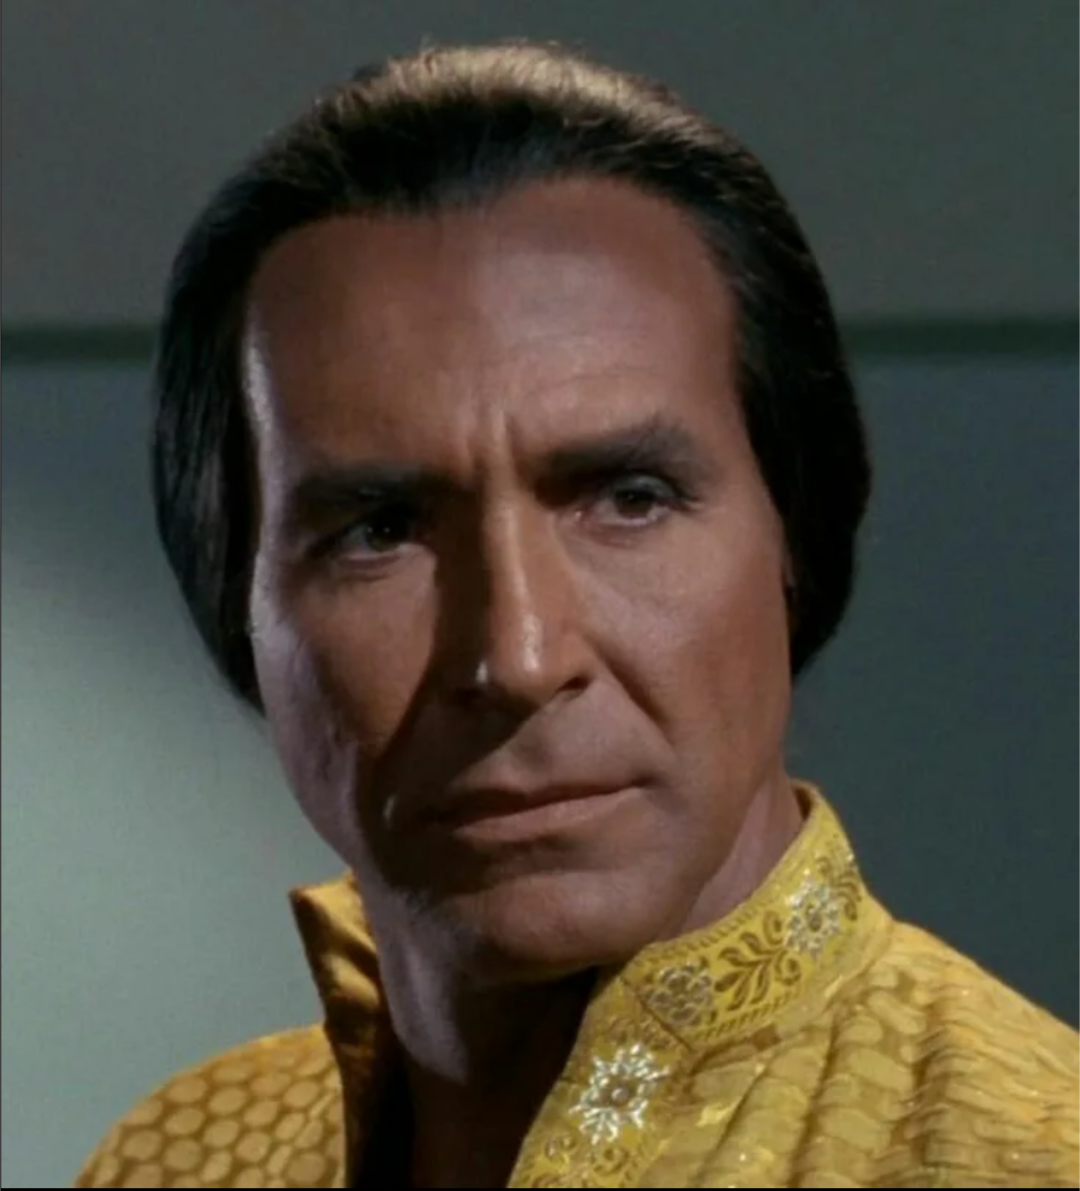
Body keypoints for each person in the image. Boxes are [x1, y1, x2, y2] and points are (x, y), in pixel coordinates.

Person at [76, 41, 1078, 1190]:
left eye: (630, 500)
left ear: (795, 535)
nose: (516, 656)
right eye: (380, 530)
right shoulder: (179, 1158)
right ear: (237, 609)